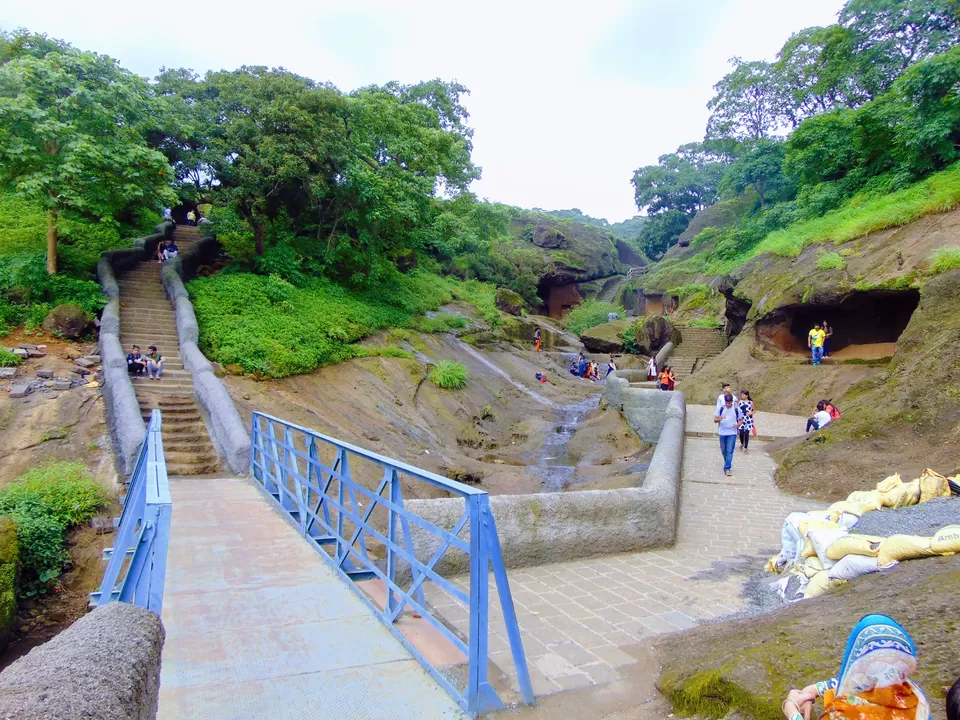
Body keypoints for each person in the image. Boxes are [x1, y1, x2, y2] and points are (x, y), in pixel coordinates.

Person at [780, 614, 931, 720]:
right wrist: (814, 690)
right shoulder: (916, 696)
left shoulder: (842, 714)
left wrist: (792, 710)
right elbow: (855, 683)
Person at [714, 393, 743, 476]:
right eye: (727, 403)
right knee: (724, 450)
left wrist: (738, 425)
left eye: (730, 403)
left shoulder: (737, 409)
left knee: (729, 450)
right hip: (722, 432)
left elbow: (741, 420)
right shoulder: (721, 408)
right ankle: (727, 461)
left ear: (732, 402)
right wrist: (719, 419)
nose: (728, 404)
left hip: (732, 432)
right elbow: (715, 419)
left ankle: (727, 468)